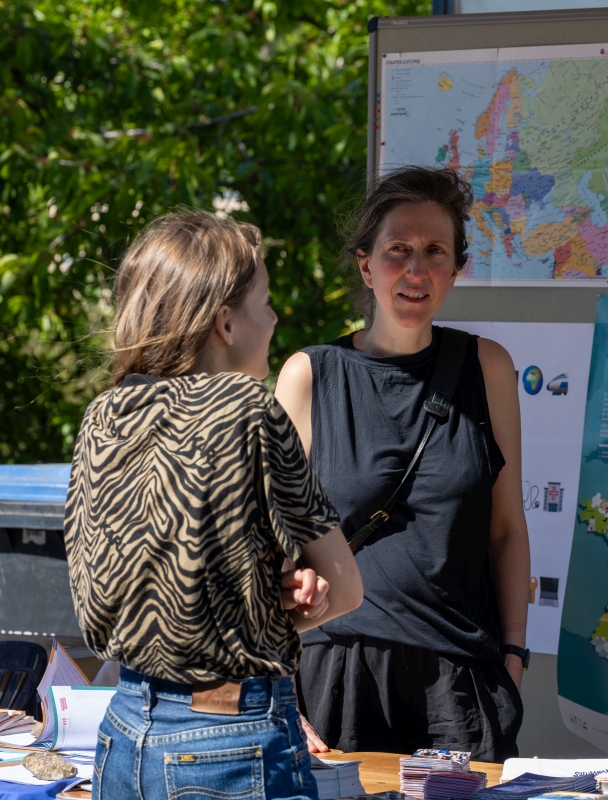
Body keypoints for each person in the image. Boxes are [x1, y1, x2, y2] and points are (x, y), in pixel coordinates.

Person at [64, 210, 363, 800]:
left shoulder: (103, 416)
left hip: (123, 734)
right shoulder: (248, 407)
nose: (276, 319)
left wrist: (257, 594)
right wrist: (290, 606)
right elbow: (346, 588)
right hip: (231, 741)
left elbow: (123, 591)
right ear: (225, 322)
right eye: (266, 303)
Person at [275, 166, 530, 760]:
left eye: (435, 251)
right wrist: (280, 684)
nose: (416, 271)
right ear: (366, 265)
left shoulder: (488, 367)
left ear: (456, 268)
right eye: (398, 251)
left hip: (460, 683)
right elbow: (271, 546)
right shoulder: (309, 375)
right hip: (335, 672)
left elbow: (507, 530)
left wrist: (514, 657)